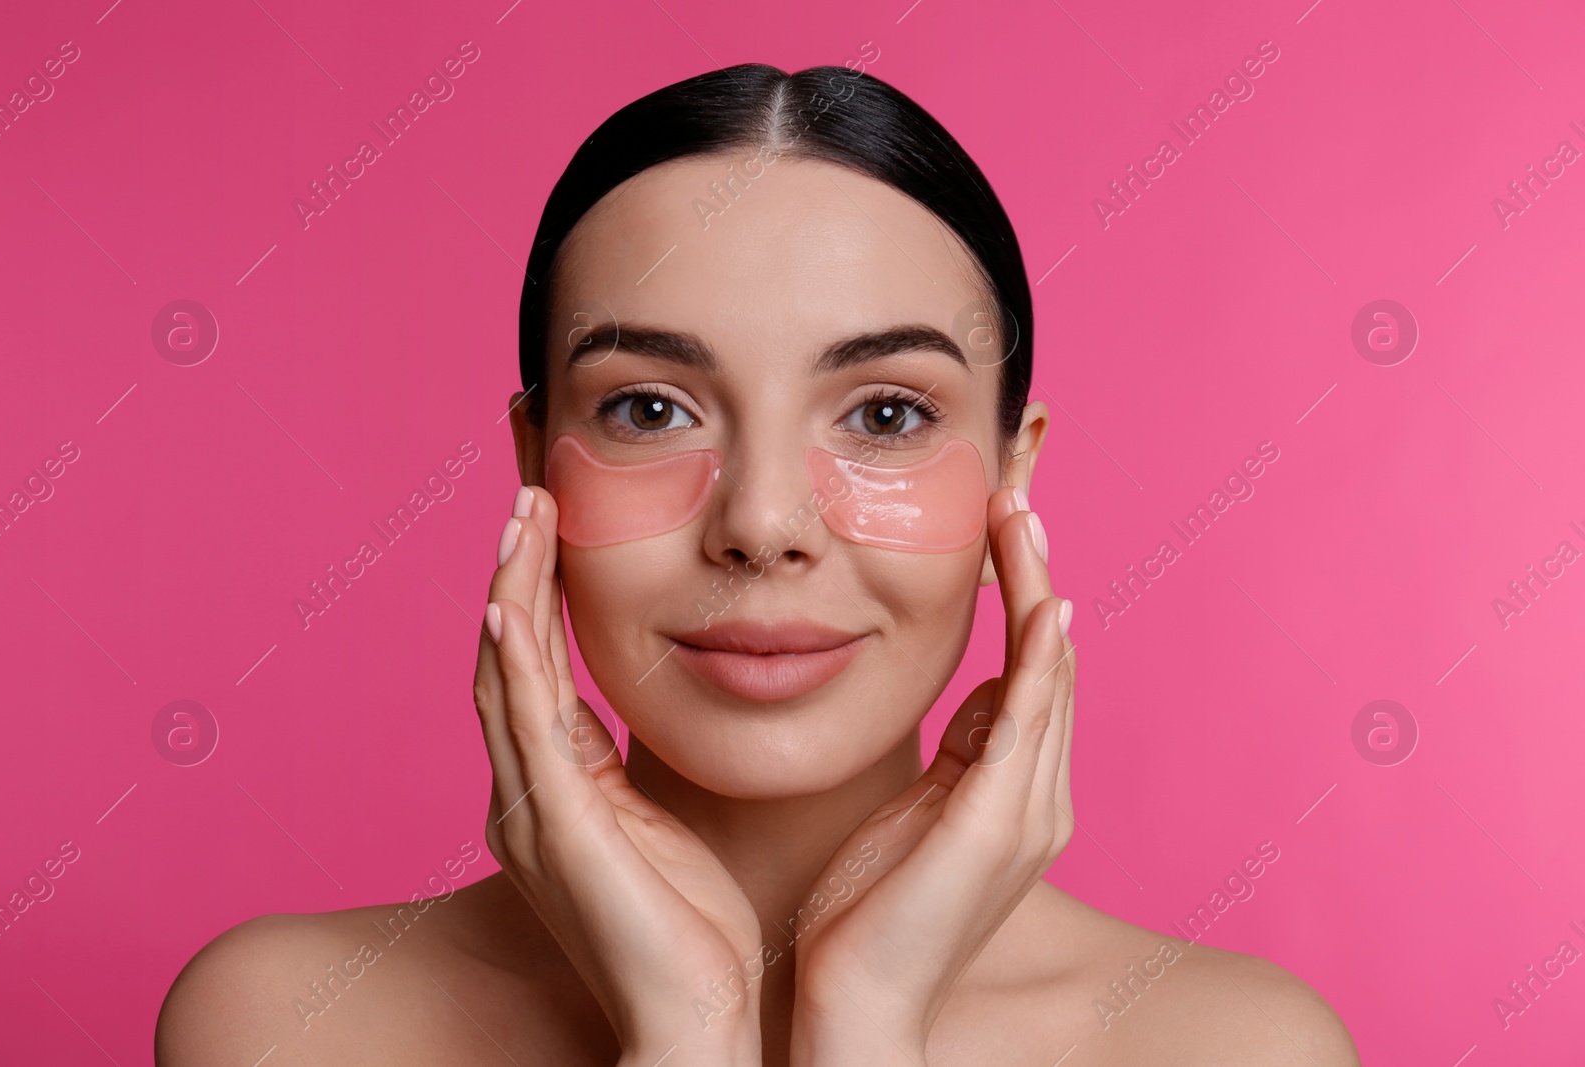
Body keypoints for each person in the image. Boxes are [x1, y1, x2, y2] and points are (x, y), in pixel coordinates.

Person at [156, 62, 1360, 1066]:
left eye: (885, 415)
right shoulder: (287, 1025)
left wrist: (867, 1022)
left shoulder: (1230, 1045)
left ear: (1013, 477)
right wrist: (684, 1031)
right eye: (649, 409)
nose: (764, 521)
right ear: (536, 470)